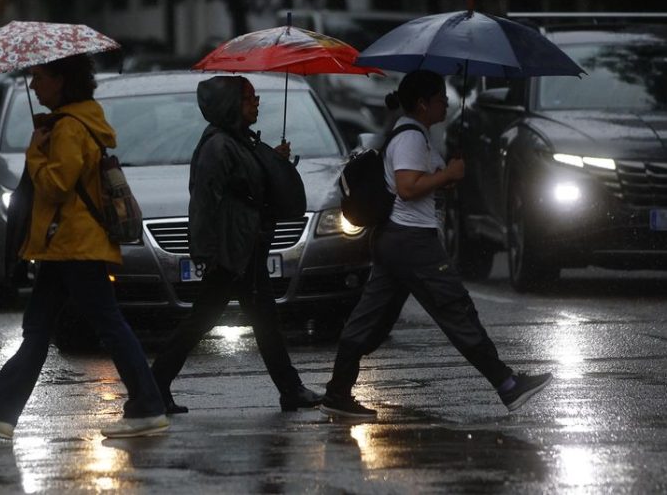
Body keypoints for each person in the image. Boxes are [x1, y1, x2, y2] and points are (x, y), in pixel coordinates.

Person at [0, 54, 168, 439]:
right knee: (39, 327)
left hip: (74, 244)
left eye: (39, 77)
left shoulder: (70, 127)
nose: (34, 86)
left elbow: (56, 185)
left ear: (61, 81)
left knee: (106, 323)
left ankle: (148, 406)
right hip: (64, 244)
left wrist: (36, 152)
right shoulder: (76, 121)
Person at [321, 69, 552, 420]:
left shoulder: (412, 134)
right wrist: (448, 174)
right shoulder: (411, 138)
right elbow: (408, 187)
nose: (446, 102)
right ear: (422, 103)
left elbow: (417, 183)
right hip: (412, 242)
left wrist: (444, 177)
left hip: (395, 241)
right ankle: (507, 385)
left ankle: (337, 392)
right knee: (456, 310)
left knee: (369, 319)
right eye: (440, 98)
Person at [151, 75, 323, 413]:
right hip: (233, 253)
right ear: (232, 105)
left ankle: (156, 386)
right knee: (214, 319)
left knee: (253, 318)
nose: (256, 103)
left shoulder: (239, 141)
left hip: (244, 248)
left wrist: (273, 159)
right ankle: (154, 386)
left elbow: (246, 185)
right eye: (249, 98)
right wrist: (207, 253)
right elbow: (203, 202)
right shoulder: (218, 146)